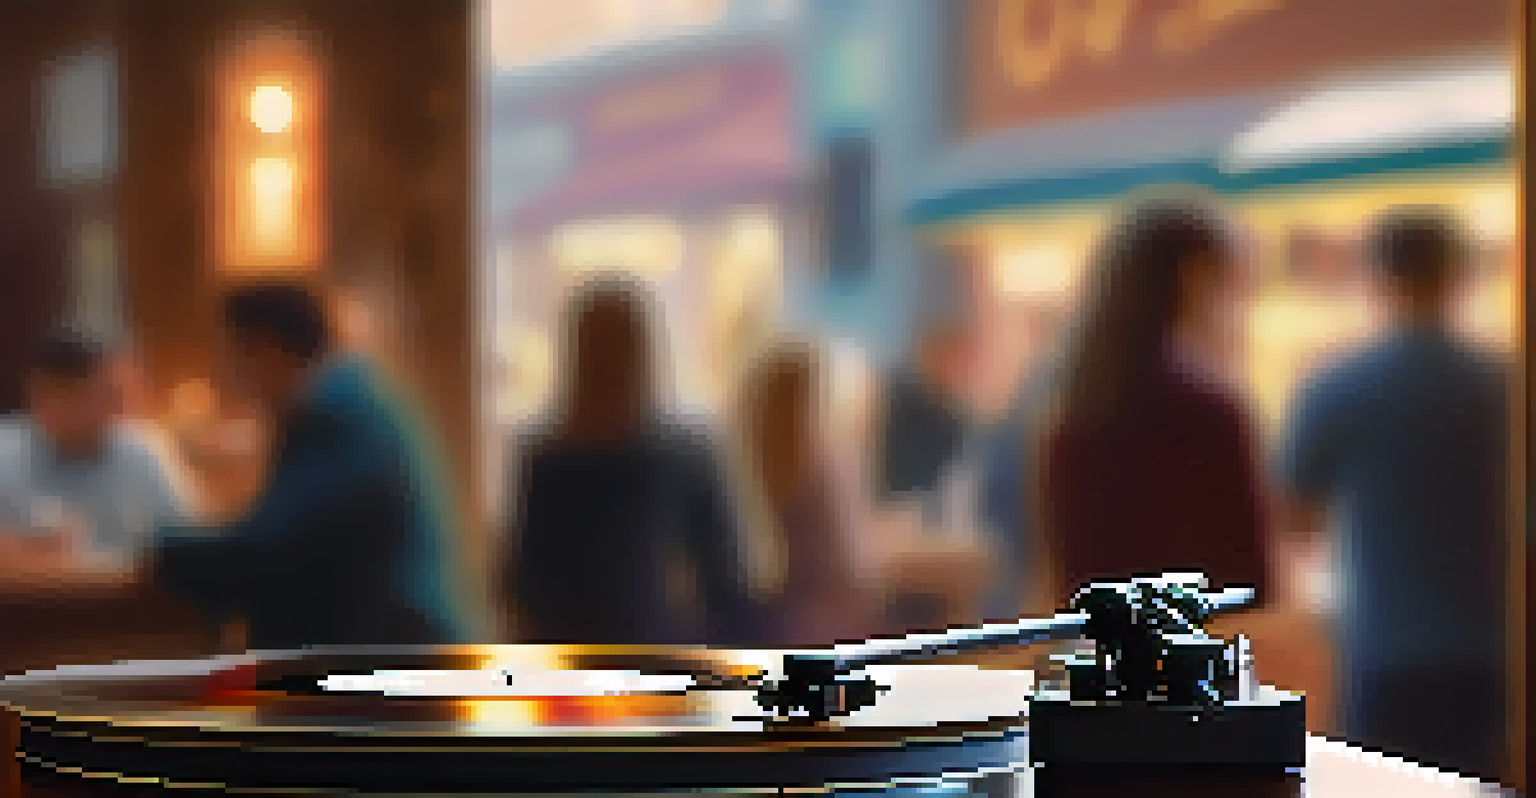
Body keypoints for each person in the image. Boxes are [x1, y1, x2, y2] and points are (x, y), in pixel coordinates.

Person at [2, 283, 474, 649]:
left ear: (265, 348)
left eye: (231, 354)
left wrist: (154, 550)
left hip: (392, 667)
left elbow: (261, 550)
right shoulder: (351, 402)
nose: (230, 376)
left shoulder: (337, 414)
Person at [1276, 207, 1509, 781]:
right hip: (1493, 656)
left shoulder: (1336, 386)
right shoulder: (1505, 384)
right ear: (1458, 277)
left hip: (1383, 654)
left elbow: (1294, 519)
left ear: (1376, 280)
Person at [1040, 194, 1272, 604]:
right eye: (1232, 290)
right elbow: (1251, 581)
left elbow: (1062, 575)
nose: (1238, 316)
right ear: (1194, 279)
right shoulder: (1207, 412)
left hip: (1103, 656)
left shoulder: (1071, 410)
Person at [499, 276, 752, 645]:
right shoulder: (679, 452)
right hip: (639, 662)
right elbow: (727, 582)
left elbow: (523, 586)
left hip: (584, 664)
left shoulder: (548, 457)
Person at [0, 329, 196, 568]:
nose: (118, 404)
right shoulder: (6, 450)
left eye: (116, 392)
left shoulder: (143, 449)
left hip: (128, 597)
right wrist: (22, 549)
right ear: (39, 394)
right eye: (106, 392)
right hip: (27, 598)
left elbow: (187, 540)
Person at [733, 338, 869, 645]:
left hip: (754, 628)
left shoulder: (737, 456)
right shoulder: (825, 459)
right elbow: (855, 570)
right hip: (823, 629)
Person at [873, 317, 975, 509]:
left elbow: (953, 480)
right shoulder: (899, 397)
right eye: (952, 357)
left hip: (930, 512)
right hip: (889, 507)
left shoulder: (959, 420)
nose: (960, 369)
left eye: (964, 362)